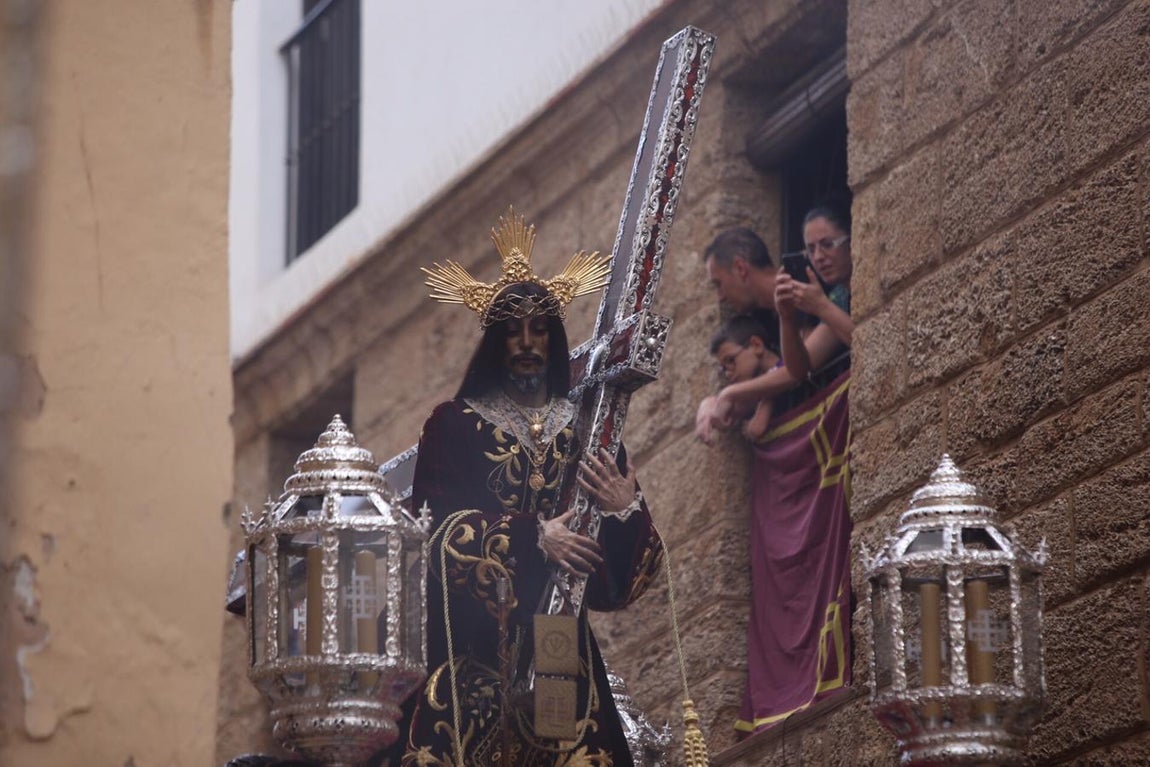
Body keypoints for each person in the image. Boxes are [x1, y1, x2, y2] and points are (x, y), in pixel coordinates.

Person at [402, 210, 664, 767]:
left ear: (555, 336)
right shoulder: (455, 424)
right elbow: (430, 534)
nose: (526, 342)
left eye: (539, 328)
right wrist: (533, 539)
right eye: (512, 330)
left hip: (560, 646)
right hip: (473, 654)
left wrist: (625, 511)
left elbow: (623, 583)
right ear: (495, 341)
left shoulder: (590, 430)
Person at [773, 202, 853, 382]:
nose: (818, 257)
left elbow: (875, 344)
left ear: (851, 240)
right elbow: (800, 369)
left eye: (827, 244)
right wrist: (786, 318)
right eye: (811, 249)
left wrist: (821, 306)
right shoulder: (839, 297)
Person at [701, 314, 779, 441]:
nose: (728, 373)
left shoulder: (784, 369)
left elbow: (756, 428)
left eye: (731, 360)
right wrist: (708, 403)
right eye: (724, 368)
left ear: (756, 345)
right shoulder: (757, 390)